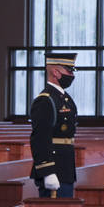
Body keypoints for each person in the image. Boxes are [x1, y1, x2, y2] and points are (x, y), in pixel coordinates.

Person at [29, 52, 78, 198]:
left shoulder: (65, 98)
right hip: (54, 168)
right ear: (56, 72)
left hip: (65, 167)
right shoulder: (45, 100)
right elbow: (40, 138)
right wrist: (47, 171)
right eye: (68, 71)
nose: (71, 75)